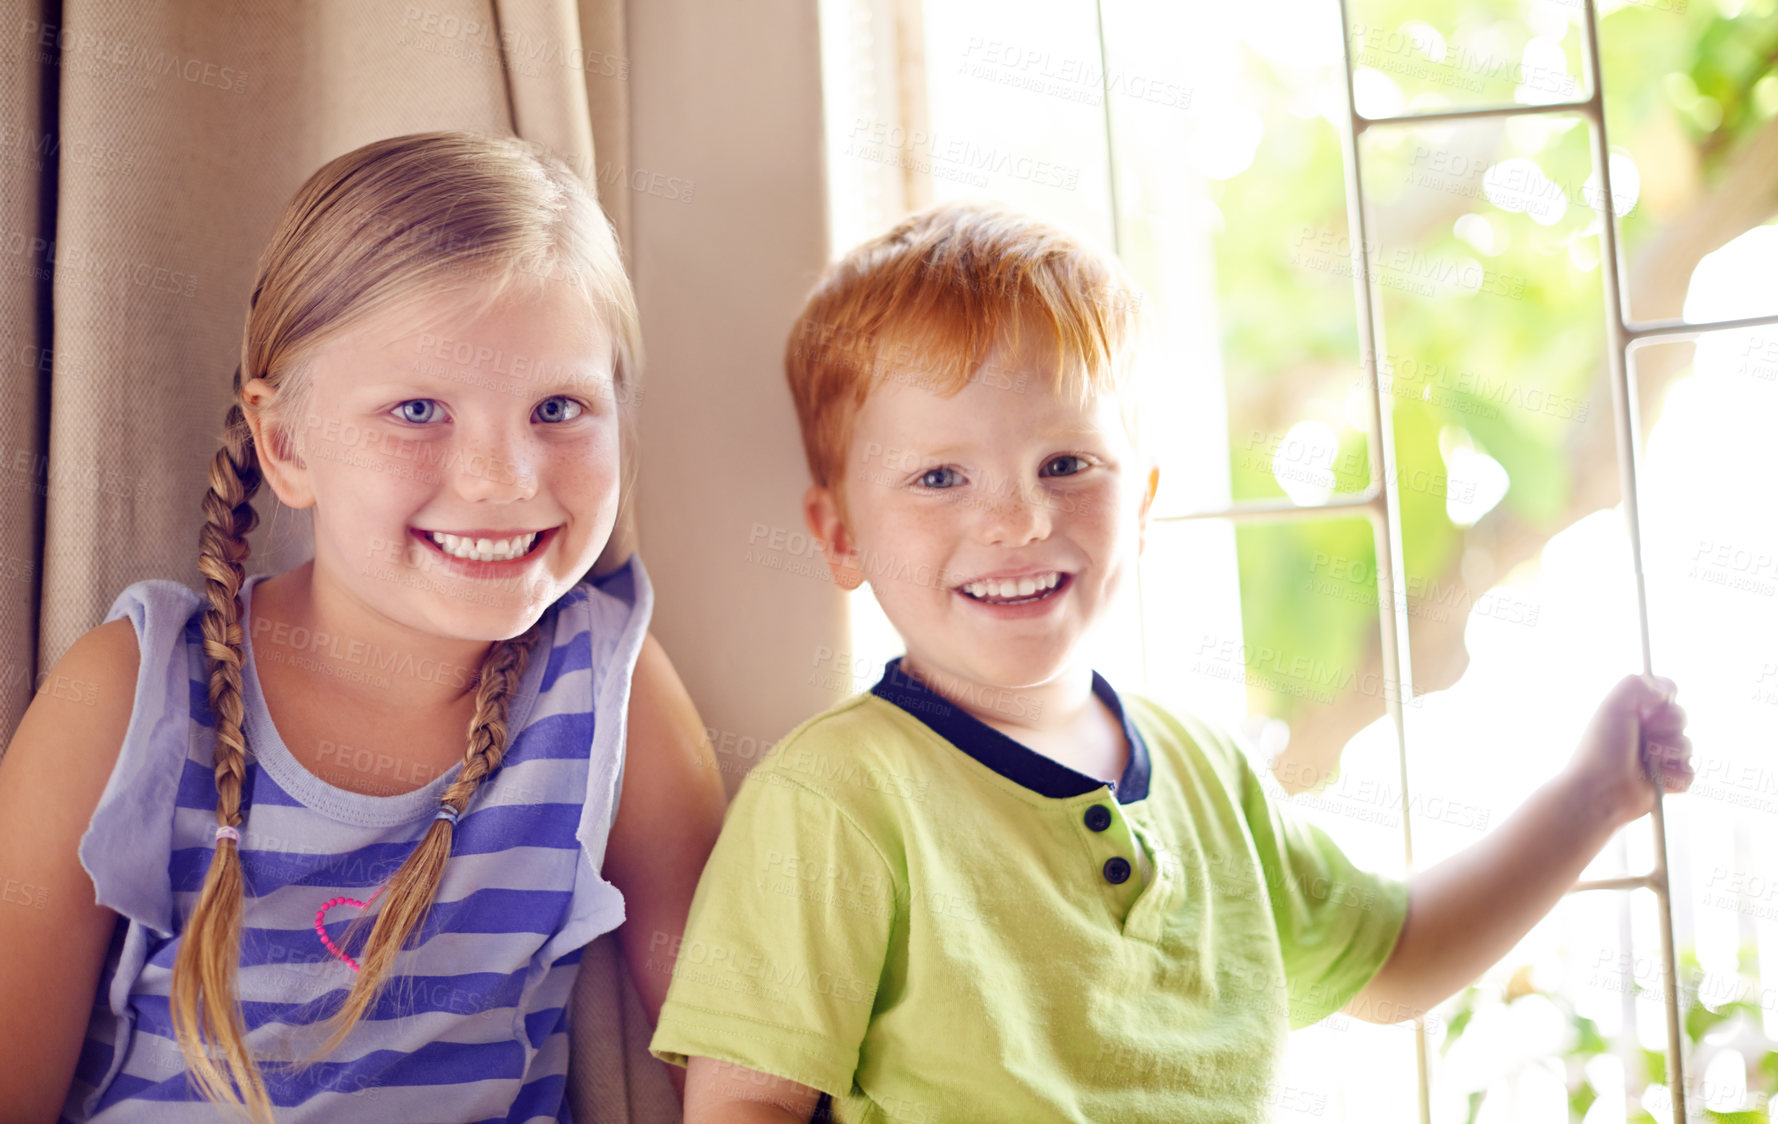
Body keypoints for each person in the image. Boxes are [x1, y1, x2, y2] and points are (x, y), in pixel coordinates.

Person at [646, 200, 1695, 1122]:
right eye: (938, 478)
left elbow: (1395, 957)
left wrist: (1590, 798)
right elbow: (746, 1100)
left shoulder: (1209, 770)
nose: (1017, 518)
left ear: (1141, 501)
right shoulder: (832, 799)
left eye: (1066, 462)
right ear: (838, 536)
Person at [0, 131, 725, 1123]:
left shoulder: (606, 689)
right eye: (418, 409)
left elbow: (735, 1055)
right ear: (286, 444)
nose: (502, 478)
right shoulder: (132, 691)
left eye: (558, 406)